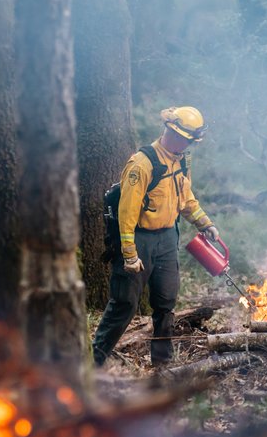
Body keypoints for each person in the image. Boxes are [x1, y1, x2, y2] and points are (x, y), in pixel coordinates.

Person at [92, 106, 220, 368]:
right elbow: (126, 213)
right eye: (186, 140)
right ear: (172, 132)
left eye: (191, 142)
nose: (187, 145)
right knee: (125, 304)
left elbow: (186, 199)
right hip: (139, 238)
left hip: (167, 238)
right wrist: (129, 253)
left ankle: (163, 366)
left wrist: (204, 223)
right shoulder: (142, 164)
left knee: (165, 303)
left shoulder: (182, 161)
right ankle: (93, 362)